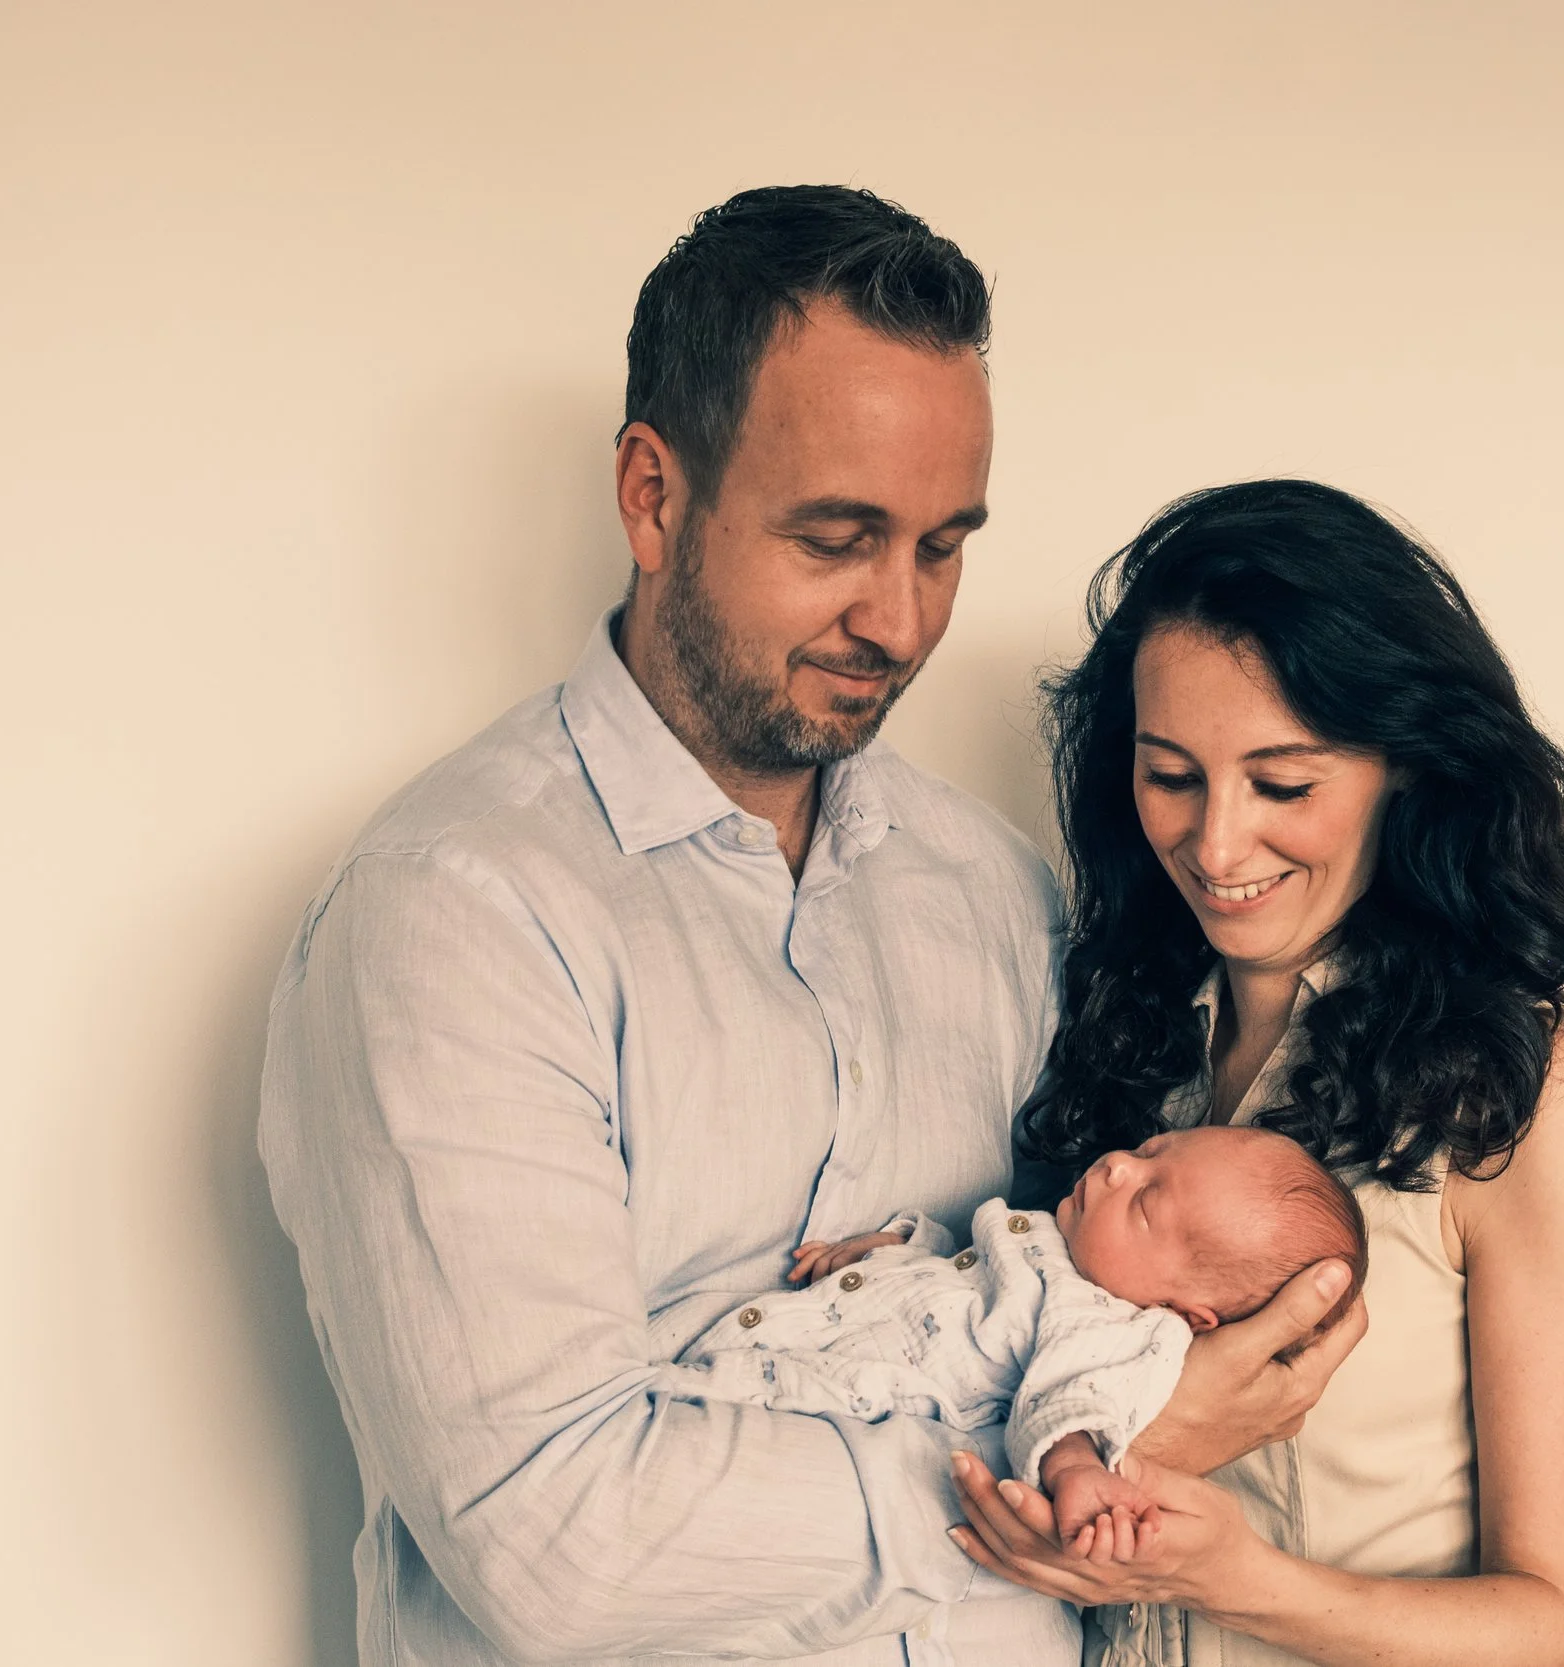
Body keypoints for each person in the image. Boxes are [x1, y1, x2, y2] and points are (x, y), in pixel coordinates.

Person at [258, 189, 1359, 1667]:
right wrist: (1081, 1441)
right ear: (653, 494)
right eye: (838, 539)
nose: (899, 622)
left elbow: (1079, 1282)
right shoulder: (457, 915)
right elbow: (559, 1542)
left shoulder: (991, 887)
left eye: (944, 546)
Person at [950, 480, 1564, 1667]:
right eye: (1170, 774)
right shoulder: (1117, 1050)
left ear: (1406, 767)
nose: (1216, 843)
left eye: (1283, 783)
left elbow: (1557, 1631)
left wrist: (1247, 1582)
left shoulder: (1525, 1094)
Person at [657, 1126, 1368, 1565]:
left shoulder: (1119, 1329)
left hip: (856, 1390)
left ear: (1189, 1312)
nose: (1119, 1166)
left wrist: (1078, 1473)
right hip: (825, 1322)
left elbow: (1071, 1400)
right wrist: (893, 1247)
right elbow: (973, 1273)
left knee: (695, 1427)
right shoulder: (1066, 1244)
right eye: (1152, 1149)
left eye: (1147, 1200)